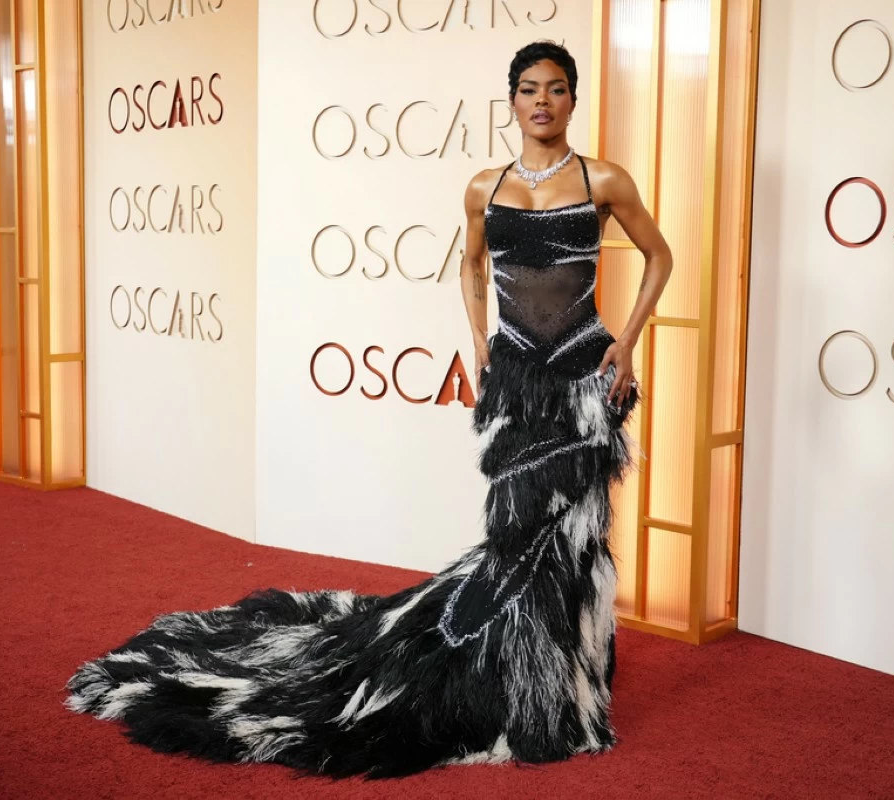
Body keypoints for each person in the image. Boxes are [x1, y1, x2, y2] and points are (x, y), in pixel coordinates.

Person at [65, 40, 672, 779]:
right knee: (517, 535)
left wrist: (628, 343)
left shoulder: (604, 180)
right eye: (527, 88)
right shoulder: (484, 187)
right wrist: (479, 339)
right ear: (512, 100)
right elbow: (472, 263)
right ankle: (519, 679)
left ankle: (567, 686)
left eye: (555, 88)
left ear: (573, 98)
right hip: (516, 381)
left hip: (582, 380)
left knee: (576, 535)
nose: (541, 100)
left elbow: (660, 256)